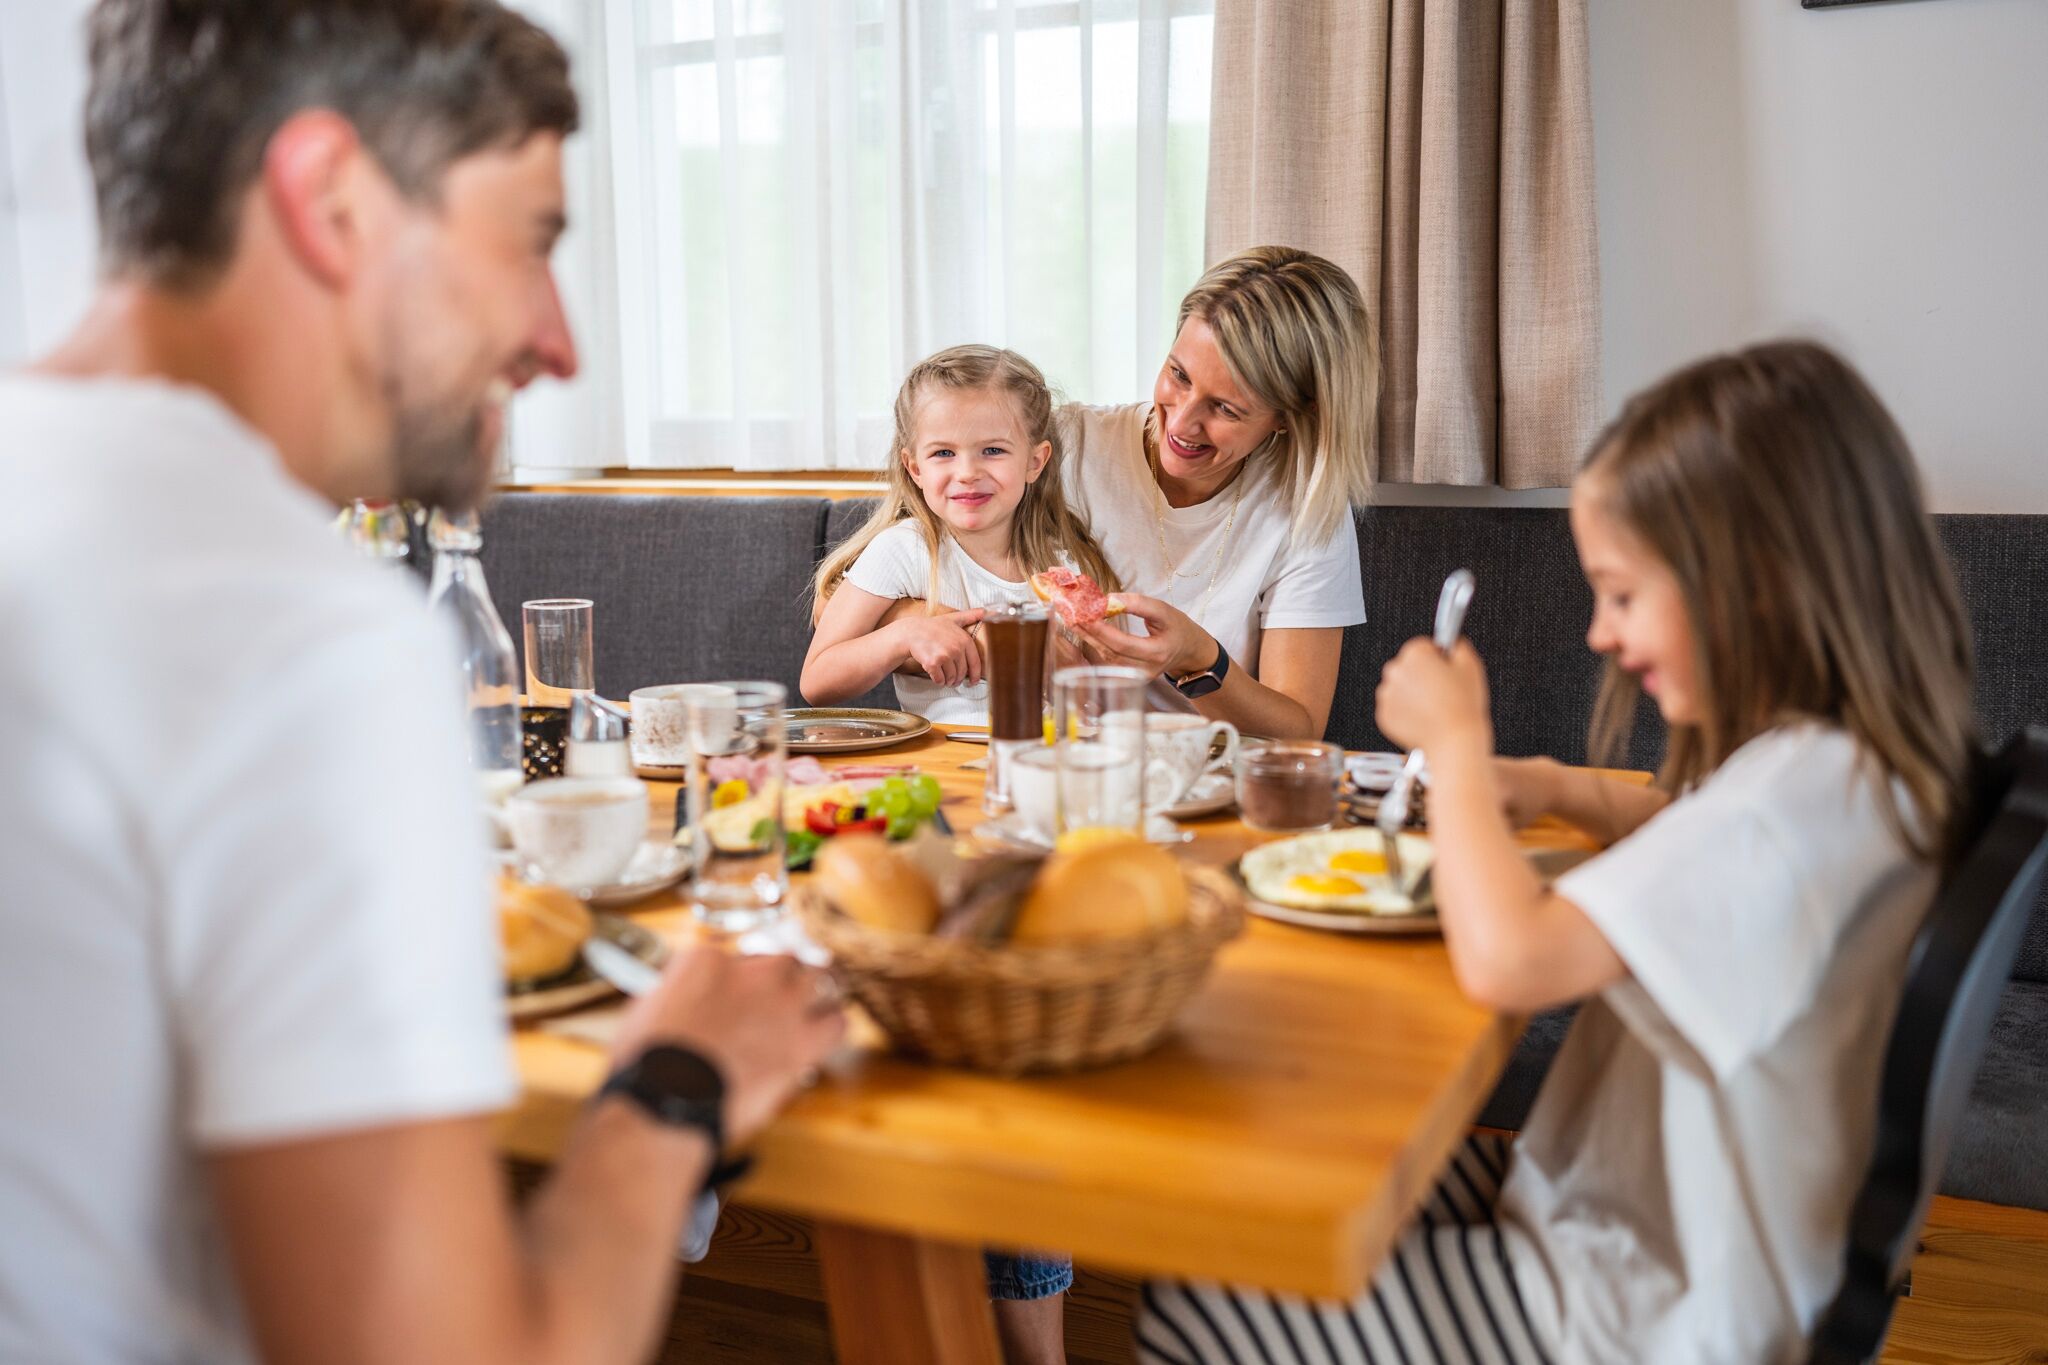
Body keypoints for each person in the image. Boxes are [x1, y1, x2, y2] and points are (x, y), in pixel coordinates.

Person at [0, 5, 842, 1363]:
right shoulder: (291, 627)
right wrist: (672, 1086)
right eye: (534, 241)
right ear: (331, 201)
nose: (558, 342)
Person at [1135, 340, 1979, 1363]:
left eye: (1622, 595)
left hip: (1636, 1302)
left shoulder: (1782, 807)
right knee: (1274, 1188)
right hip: (1646, 1223)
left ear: (1757, 584)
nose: (1600, 635)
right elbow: (1687, 825)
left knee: (1197, 1297)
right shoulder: (1842, 772)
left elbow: (1511, 961)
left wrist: (1453, 743)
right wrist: (1548, 786)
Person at [1059, 245, 1379, 738]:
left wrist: (1200, 658)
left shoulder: (1306, 511)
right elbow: (907, 581)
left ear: (1293, 417)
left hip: (1209, 785)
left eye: (1227, 408)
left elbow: (1298, 732)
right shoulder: (1068, 446)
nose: (1182, 422)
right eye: (1178, 375)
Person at [804, 343, 1119, 723]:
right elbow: (817, 679)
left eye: (992, 450)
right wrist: (903, 635)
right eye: (943, 454)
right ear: (914, 468)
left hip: (1048, 759)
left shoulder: (1067, 562)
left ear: (1035, 462)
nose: (967, 472)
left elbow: (1104, 692)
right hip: (945, 762)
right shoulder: (904, 549)